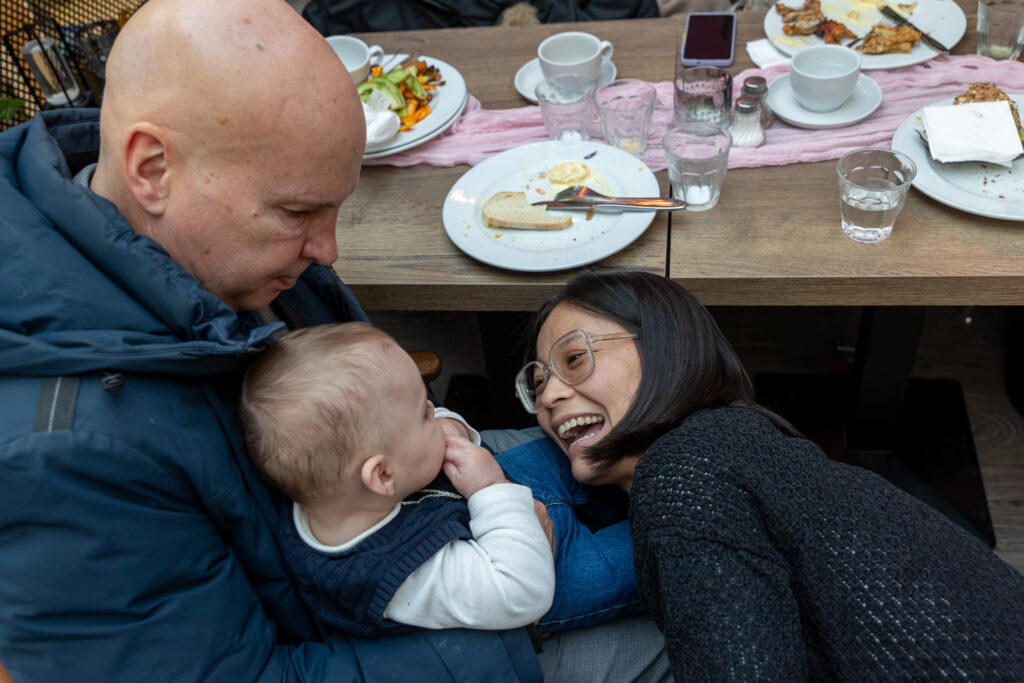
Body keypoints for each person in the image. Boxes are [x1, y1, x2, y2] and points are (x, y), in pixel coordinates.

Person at [0, 0, 544, 679]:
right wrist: (503, 628)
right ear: (152, 168)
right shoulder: (60, 462)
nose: (327, 249)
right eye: (298, 211)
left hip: (425, 519)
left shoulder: (234, 261)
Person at [516, 268, 1024, 680]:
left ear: (663, 349)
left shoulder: (683, 471)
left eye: (575, 358)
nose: (549, 396)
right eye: (537, 383)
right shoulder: (736, 440)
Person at [239, 322, 555, 634]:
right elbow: (523, 591)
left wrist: (450, 429)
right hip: (532, 569)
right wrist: (490, 487)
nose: (434, 408)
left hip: (497, 502)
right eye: (424, 414)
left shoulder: (339, 489)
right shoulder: (398, 575)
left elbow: (405, 431)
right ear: (383, 474)